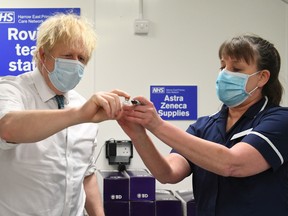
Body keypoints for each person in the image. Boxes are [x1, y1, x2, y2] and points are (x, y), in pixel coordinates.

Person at [118, 33, 288, 216]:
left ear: (262, 77)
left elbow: (232, 164)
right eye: (223, 67)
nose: (225, 75)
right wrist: (137, 133)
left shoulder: (279, 121)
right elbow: (167, 173)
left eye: (236, 69)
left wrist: (157, 125)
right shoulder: (204, 126)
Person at [0, 13, 129, 216]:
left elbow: (85, 174)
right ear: (43, 56)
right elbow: (7, 128)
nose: (76, 64)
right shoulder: (12, 90)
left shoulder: (82, 106)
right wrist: (79, 115)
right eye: (68, 56)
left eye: (82, 59)